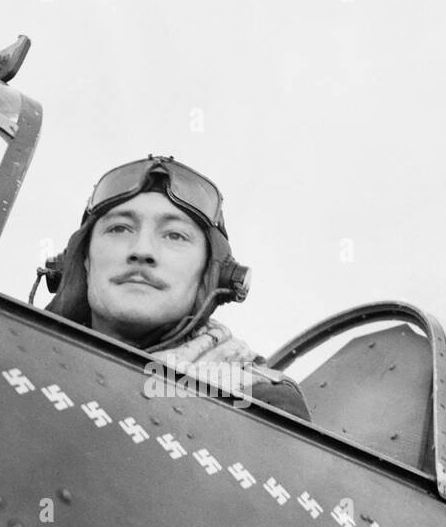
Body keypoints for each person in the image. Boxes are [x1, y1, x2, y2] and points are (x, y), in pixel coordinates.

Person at [32, 156, 311, 420]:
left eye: (174, 235)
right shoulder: (14, 360)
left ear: (212, 275)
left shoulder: (259, 400)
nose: (142, 251)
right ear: (83, 261)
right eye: (119, 229)